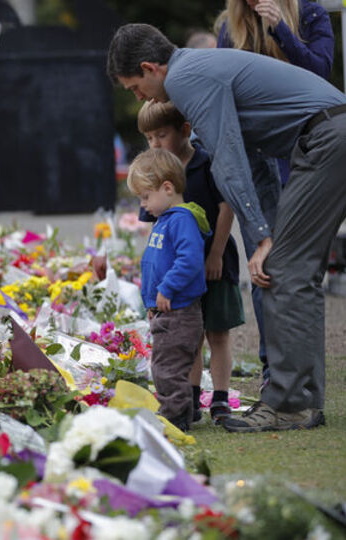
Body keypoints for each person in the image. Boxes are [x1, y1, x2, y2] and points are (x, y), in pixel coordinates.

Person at [107, 23, 346, 432]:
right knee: (294, 271)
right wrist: (264, 231)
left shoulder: (185, 77)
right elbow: (257, 161)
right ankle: (303, 401)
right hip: (340, 135)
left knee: (283, 269)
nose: (139, 97)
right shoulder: (198, 67)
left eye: (134, 87)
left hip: (330, 139)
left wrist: (265, 237)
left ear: (149, 67)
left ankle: (290, 404)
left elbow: (227, 159)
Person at [215, 0, 334, 385]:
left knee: (299, 273)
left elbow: (321, 74)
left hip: (305, 159)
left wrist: (282, 29)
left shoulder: (311, 14)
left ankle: (305, 370)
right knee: (263, 269)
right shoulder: (229, 29)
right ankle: (274, 370)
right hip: (256, 165)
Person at [136, 101, 245, 424]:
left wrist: (214, 254)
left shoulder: (206, 164)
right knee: (190, 337)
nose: (155, 143)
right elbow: (155, 230)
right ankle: (192, 397)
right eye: (149, 138)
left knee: (218, 332)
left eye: (161, 135)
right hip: (179, 276)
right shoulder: (155, 176)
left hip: (215, 261)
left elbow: (227, 208)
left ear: (184, 131)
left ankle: (221, 399)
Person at [128, 148, 208, 432]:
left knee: (167, 368)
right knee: (165, 364)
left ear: (167, 187)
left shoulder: (181, 220)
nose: (143, 204)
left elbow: (190, 260)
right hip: (166, 310)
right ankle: (182, 412)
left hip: (179, 311)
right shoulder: (165, 219)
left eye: (145, 197)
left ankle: (174, 418)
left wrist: (168, 288)